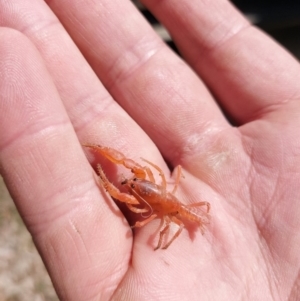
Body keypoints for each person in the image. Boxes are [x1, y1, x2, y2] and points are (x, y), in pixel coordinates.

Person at [0, 0, 299, 300]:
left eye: (130, 182)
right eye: (131, 182)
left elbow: (144, 214)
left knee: (146, 201)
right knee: (142, 179)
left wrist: (128, 199)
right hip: (166, 199)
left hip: (171, 208)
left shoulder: (157, 201)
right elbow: (147, 175)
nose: (129, 181)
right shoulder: (148, 179)